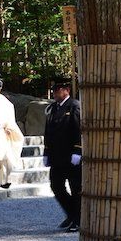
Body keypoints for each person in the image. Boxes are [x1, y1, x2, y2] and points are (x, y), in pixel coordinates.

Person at [45, 78, 82, 232]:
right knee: (56, 186)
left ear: (66, 90)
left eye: (57, 90)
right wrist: (46, 151)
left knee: (76, 189)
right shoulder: (52, 108)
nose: (54, 93)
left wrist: (78, 150)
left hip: (70, 156)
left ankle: (78, 220)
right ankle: (71, 214)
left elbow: (78, 130)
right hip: (56, 156)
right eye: (53, 90)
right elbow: (48, 131)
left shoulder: (74, 106)